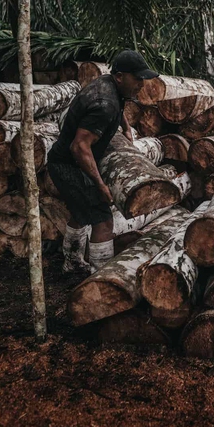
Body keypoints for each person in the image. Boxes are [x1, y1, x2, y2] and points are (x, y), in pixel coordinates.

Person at [47, 50, 158, 273]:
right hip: (67, 165)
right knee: (103, 220)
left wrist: (126, 128)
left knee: (80, 213)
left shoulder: (109, 85)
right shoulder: (104, 104)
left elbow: (119, 103)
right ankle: (101, 277)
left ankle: (72, 262)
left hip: (64, 161)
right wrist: (101, 185)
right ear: (120, 76)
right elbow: (79, 147)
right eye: (137, 78)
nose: (141, 83)